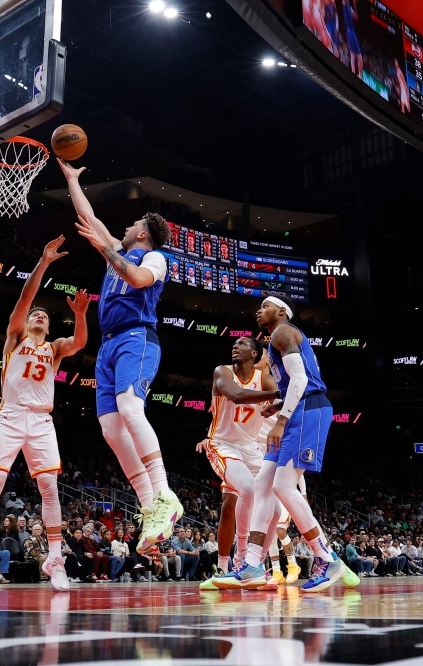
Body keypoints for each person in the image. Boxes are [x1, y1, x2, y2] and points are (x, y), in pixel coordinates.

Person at [60, 158, 183, 553]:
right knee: (111, 430)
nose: (124, 229)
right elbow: (88, 216)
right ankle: (150, 508)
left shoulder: (153, 258)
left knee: (131, 408)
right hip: (108, 344)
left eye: (131, 225)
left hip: (137, 338)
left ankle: (164, 495)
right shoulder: (117, 248)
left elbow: (136, 280)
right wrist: (71, 179)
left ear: (143, 233)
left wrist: (106, 249)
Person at [0, 236, 89, 593]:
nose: (39, 315)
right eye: (37, 313)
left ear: (49, 327)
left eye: (45, 316)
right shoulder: (16, 337)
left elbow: (79, 343)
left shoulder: (55, 348)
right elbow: (23, 299)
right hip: (11, 414)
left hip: (41, 420)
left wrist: (79, 315)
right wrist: (44, 262)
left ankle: (55, 559)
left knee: (49, 487)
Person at [215, 295, 353, 592]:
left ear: (281, 311)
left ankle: (326, 557)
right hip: (296, 411)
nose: (258, 311)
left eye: (265, 306)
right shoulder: (277, 340)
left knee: (283, 486)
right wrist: (278, 405)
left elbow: (302, 380)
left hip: (309, 410)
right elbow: (293, 384)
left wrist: (280, 419)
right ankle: (252, 564)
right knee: (263, 483)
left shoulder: (282, 331)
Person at [197, 337, 279, 589]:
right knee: (245, 490)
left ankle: (257, 566)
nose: (235, 346)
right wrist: (279, 393)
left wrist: (284, 399)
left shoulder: (263, 378)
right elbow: (237, 395)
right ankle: (238, 562)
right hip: (222, 444)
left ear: (255, 354)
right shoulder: (222, 371)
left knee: (274, 509)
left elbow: (283, 403)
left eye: (242, 344)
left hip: (252, 448)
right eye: (234, 343)